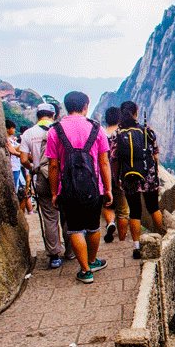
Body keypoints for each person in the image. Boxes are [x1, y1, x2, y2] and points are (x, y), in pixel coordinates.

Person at [46, 91, 112, 284]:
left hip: (67, 189)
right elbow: (104, 163)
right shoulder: (96, 129)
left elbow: (53, 165)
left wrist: (54, 192)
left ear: (67, 106)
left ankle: (85, 271)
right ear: (85, 106)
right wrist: (107, 189)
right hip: (94, 188)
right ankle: (92, 261)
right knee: (93, 227)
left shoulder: (54, 130)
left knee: (74, 229)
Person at [20, 103, 69, 268]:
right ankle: (71, 250)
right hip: (62, 177)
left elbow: (23, 160)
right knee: (66, 214)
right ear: (53, 115)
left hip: (41, 178)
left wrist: (34, 168)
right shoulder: (60, 129)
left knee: (49, 216)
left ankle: (54, 255)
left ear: (37, 115)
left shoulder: (28, 134)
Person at [112, 101, 163, 259]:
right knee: (153, 207)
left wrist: (117, 178)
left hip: (129, 178)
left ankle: (136, 246)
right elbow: (155, 156)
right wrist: (154, 173)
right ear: (136, 112)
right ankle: (160, 237)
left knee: (135, 212)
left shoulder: (118, 134)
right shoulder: (147, 131)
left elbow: (114, 159)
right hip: (148, 177)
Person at [101, 107, 129, 243]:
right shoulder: (123, 134)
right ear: (120, 119)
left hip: (103, 174)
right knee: (123, 210)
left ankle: (110, 222)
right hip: (121, 175)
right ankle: (122, 240)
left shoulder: (100, 135)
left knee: (107, 204)